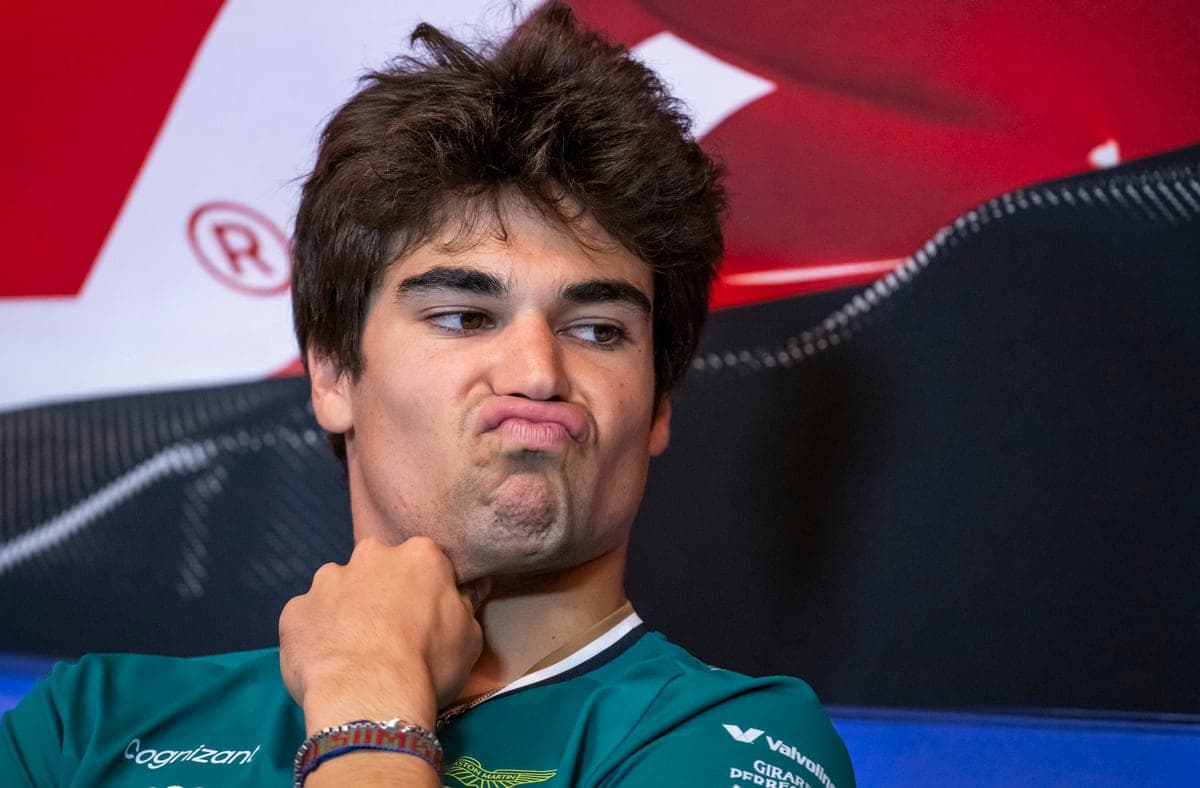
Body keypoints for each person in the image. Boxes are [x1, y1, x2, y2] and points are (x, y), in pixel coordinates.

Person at [0, 4, 854, 785]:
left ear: (660, 403)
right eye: (463, 315)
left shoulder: (743, 743)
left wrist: (366, 705)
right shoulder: (92, 728)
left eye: (598, 330)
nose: (537, 373)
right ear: (332, 372)